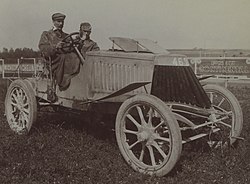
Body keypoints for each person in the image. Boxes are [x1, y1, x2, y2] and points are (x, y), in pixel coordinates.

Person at [38, 13, 81, 92]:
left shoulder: (66, 36)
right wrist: (55, 47)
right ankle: (63, 82)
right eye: (58, 21)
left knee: (75, 56)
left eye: (62, 21)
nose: (61, 24)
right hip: (53, 61)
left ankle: (76, 79)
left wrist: (77, 42)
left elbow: (70, 48)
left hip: (65, 59)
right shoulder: (46, 34)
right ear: (53, 22)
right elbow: (43, 49)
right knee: (65, 57)